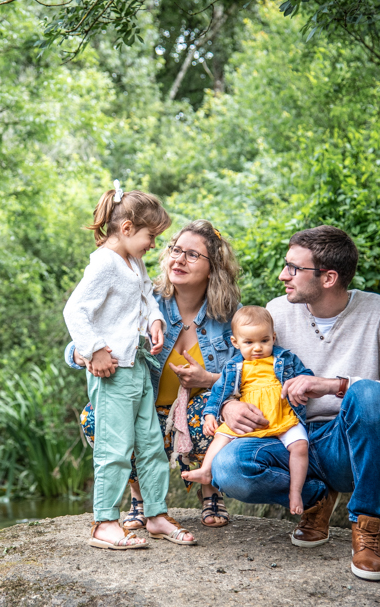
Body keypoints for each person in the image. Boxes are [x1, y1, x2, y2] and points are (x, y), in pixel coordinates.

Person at [211, 225, 380, 581]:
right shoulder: (276, 311)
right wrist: (227, 406)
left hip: (346, 445)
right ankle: (316, 500)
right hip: (285, 438)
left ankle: (366, 526)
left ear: (328, 277)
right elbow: (244, 373)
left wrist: (333, 385)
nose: (283, 275)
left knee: (369, 393)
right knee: (228, 469)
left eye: (294, 269)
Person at [67, 219, 241, 531]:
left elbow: (248, 372)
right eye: (175, 250)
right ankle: (139, 498)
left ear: (213, 267)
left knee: (226, 412)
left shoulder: (228, 314)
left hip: (198, 411)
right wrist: (87, 353)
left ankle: (210, 490)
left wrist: (209, 380)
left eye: (191, 254)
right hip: (145, 407)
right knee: (95, 417)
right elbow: (79, 338)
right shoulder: (146, 299)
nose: (178, 259)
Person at [63, 182, 197, 550]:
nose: (155, 244)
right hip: (113, 372)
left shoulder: (132, 261)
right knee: (114, 447)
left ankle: (155, 514)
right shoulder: (104, 264)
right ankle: (105, 522)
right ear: (126, 229)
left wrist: (154, 320)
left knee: (151, 444)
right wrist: (93, 350)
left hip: (138, 365)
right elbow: (74, 311)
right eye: (151, 236)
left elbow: (146, 299)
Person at [181, 306, 312, 515]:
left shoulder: (284, 359)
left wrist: (303, 387)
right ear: (236, 342)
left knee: (300, 447)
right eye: (249, 343)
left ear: (273, 337)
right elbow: (219, 392)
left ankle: (295, 492)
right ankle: (206, 470)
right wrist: (209, 416)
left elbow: (307, 376)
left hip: (283, 415)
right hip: (248, 418)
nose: (258, 348)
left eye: (264, 340)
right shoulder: (235, 366)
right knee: (221, 436)